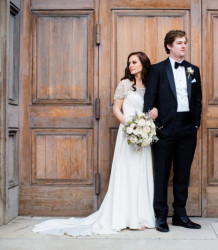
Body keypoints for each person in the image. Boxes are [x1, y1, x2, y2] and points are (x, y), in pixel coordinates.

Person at [32, 52, 155, 236]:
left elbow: (152, 107)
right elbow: (116, 108)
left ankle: (141, 216)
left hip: (143, 133)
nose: (131, 65)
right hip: (128, 132)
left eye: (134, 62)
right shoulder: (124, 84)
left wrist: (148, 120)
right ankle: (124, 216)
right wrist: (130, 126)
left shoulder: (150, 85)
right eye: (129, 62)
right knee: (127, 172)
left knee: (141, 173)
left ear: (143, 64)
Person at [143, 30, 202, 233]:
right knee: (161, 174)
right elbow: (148, 101)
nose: (183, 46)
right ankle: (160, 216)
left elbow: (197, 100)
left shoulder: (193, 69)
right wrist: (157, 124)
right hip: (164, 130)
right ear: (169, 46)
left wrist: (195, 124)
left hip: (187, 130)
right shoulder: (156, 70)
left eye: (185, 42)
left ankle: (180, 215)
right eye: (179, 43)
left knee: (182, 174)